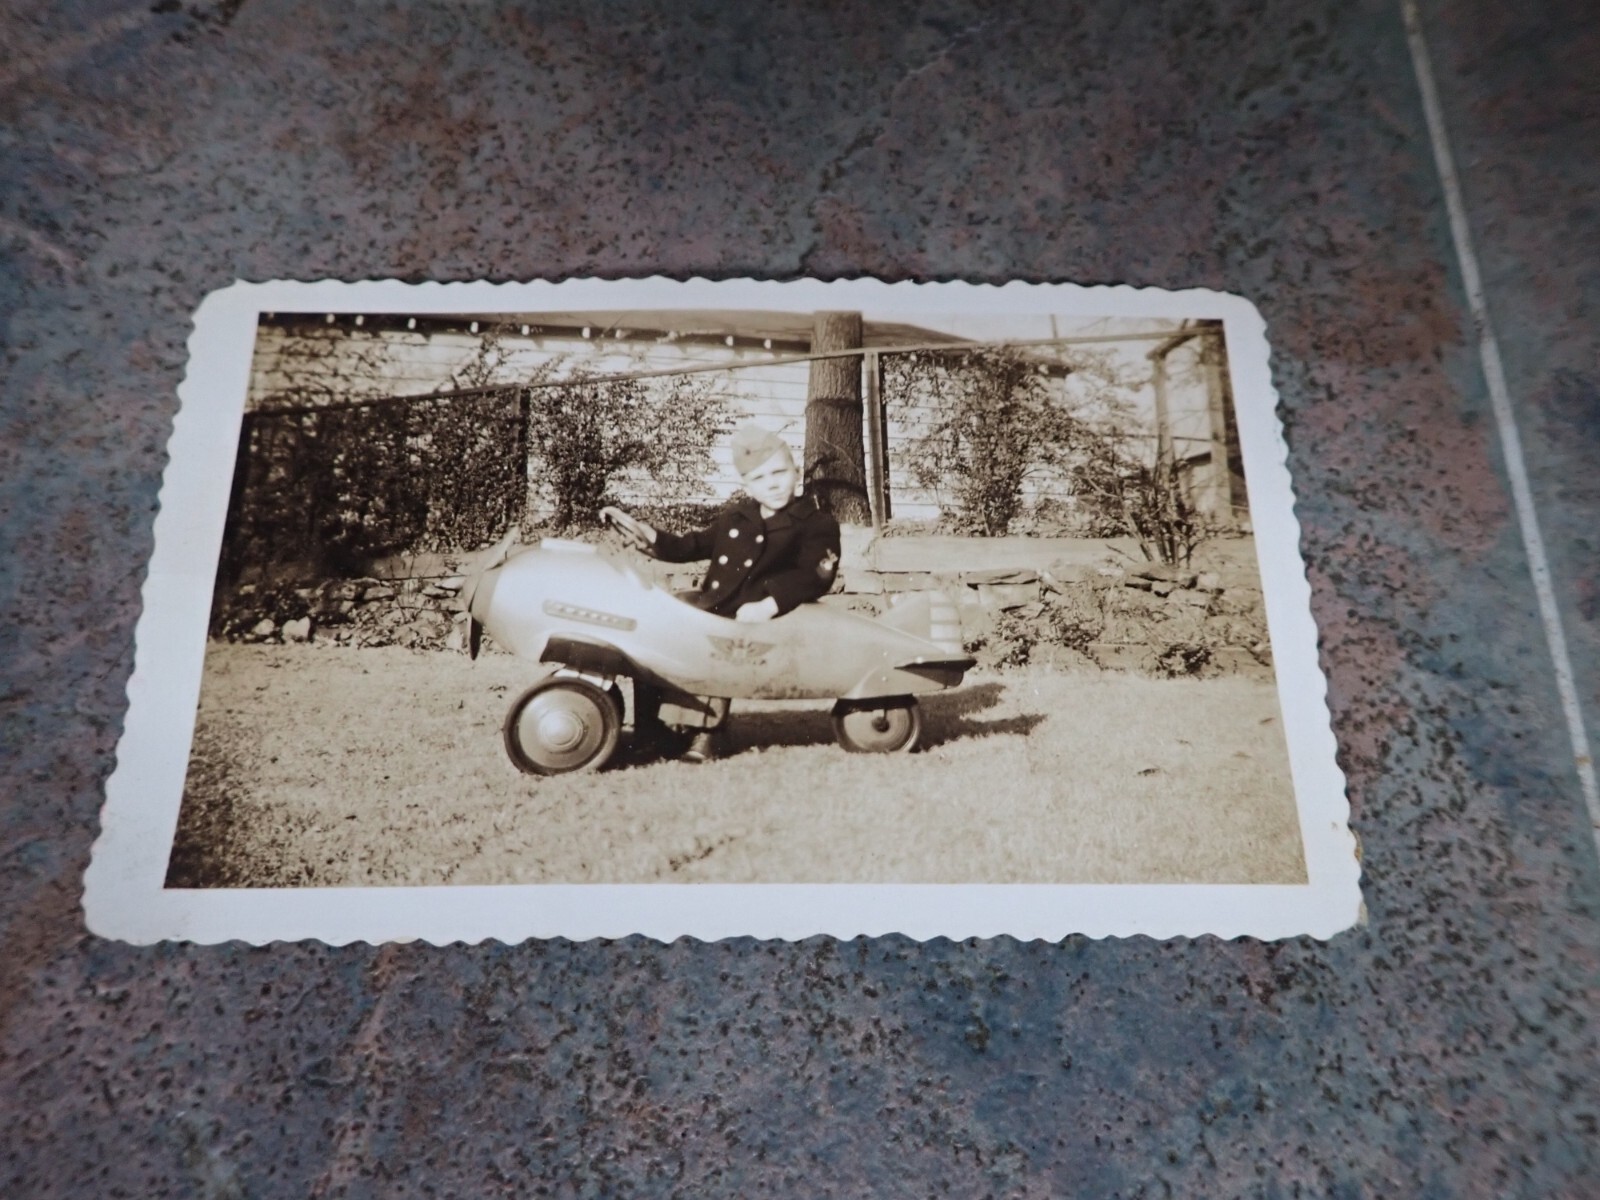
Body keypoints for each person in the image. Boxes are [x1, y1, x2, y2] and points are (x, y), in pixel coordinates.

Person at [600, 424, 841, 762]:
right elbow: (693, 545)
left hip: (762, 617)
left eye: (779, 472)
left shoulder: (814, 523)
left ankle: (705, 735)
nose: (772, 483)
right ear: (747, 485)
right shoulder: (737, 517)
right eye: (759, 478)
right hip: (717, 605)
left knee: (716, 641)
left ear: (796, 472)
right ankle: (654, 732)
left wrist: (770, 604)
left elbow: (813, 575)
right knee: (657, 629)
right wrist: (651, 536)